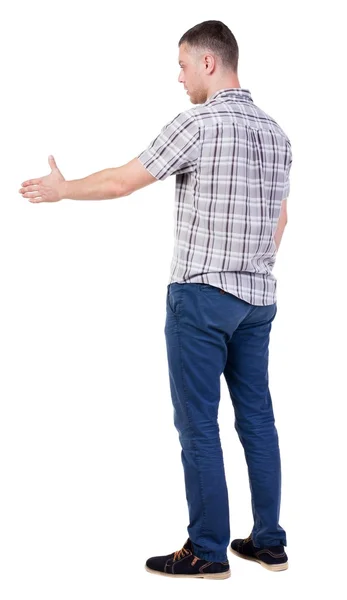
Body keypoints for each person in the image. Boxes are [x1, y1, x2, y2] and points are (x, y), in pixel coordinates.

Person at [19, 19, 292, 580]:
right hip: (258, 300)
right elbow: (281, 219)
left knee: (198, 425)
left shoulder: (199, 123)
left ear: (210, 63)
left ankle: (208, 550)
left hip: (201, 298)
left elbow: (124, 181)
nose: (180, 76)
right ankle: (268, 542)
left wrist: (64, 189)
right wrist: (251, 269)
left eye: (184, 64)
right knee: (258, 420)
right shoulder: (276, 133)